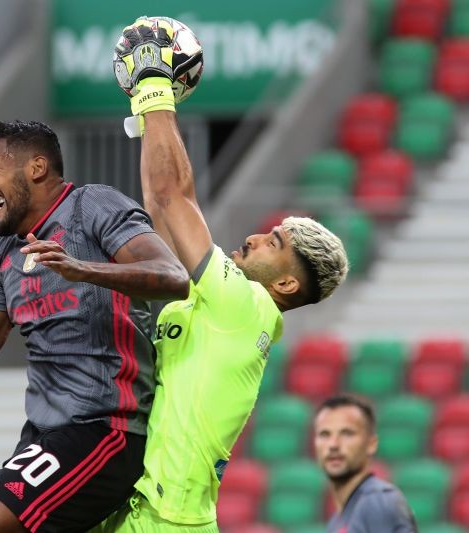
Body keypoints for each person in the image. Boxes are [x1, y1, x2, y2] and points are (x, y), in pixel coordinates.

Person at [94, 17, 351, 531]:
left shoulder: (243, 306)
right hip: (148, 510)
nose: (256, 237)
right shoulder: (218, 310)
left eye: (274, 243)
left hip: (166, 519)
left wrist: (152, 85)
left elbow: (172, 197)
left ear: (285, 286)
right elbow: (160, 203)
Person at [0, 119, 190, 532]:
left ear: (37, 167)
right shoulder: (1, 257)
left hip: (103, 432)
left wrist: (86, 270)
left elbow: (174, 276)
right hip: (41, 438)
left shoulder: (91, 206)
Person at [314, 394, 418, 532]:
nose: (333, 444)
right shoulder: (338, 520)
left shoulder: (377, 500)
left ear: (371, 444)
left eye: (347, 433)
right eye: (324, 434)